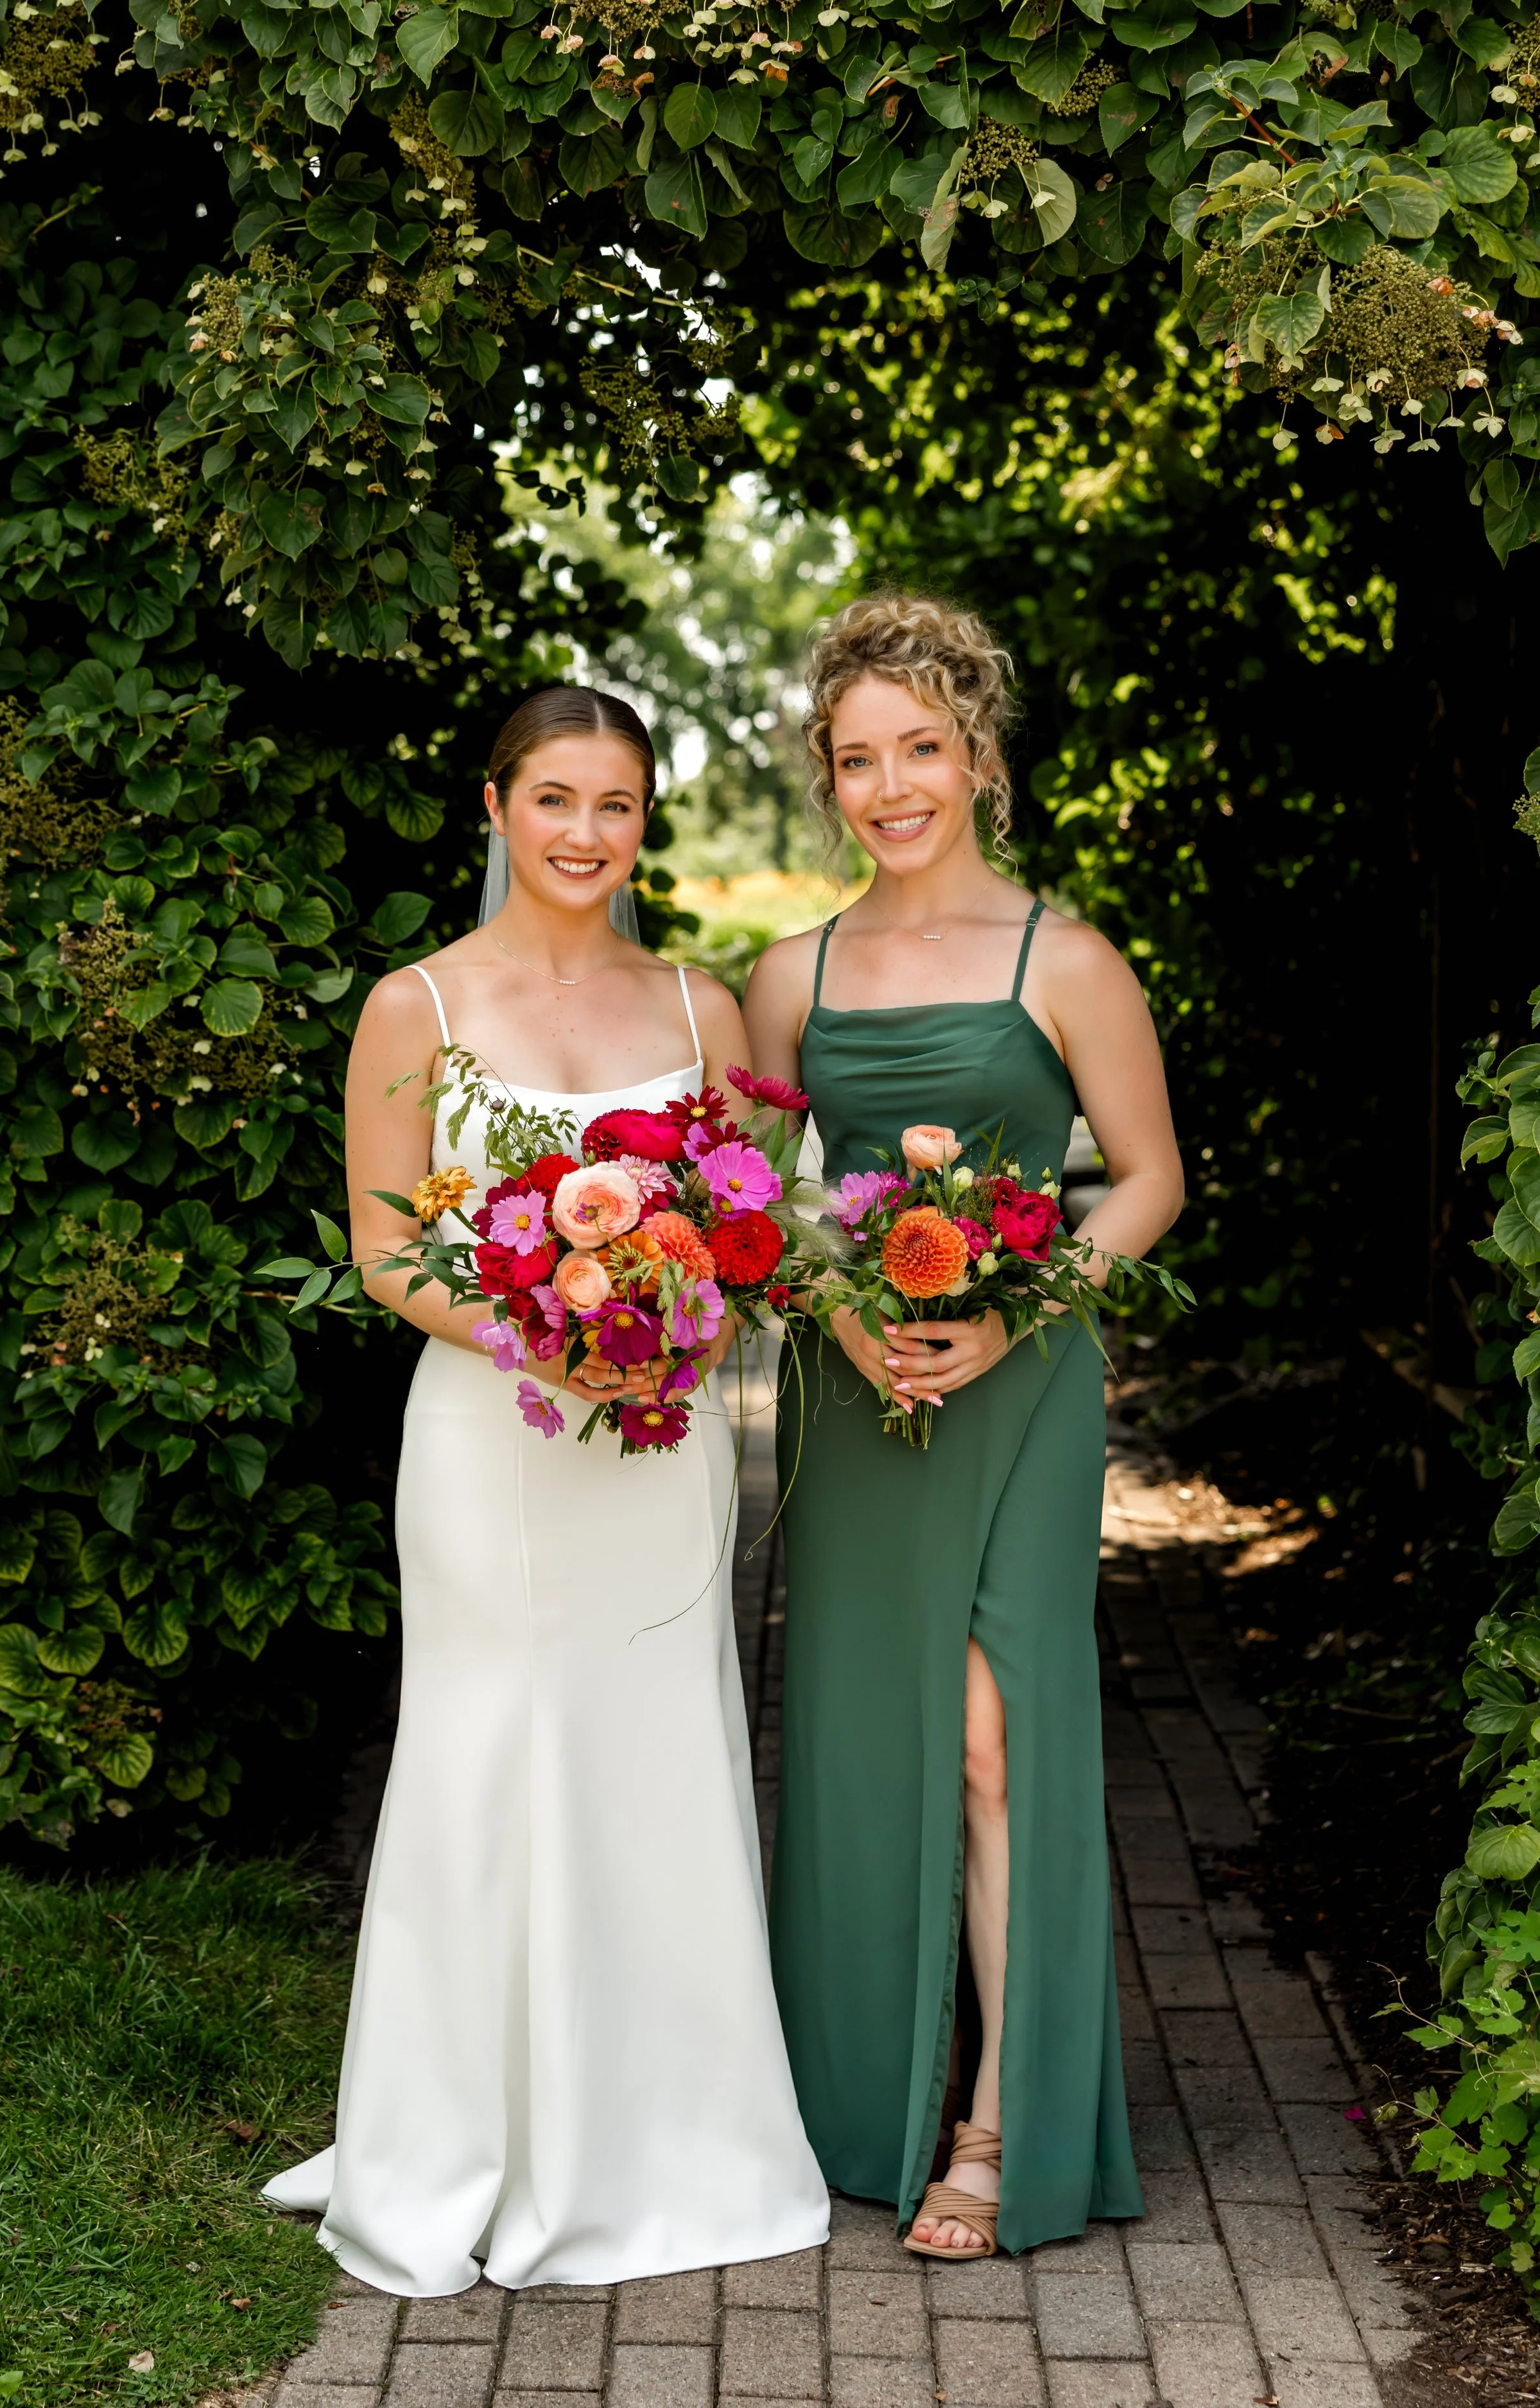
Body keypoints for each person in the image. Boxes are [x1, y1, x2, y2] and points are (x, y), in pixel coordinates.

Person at [264, 685, 829, 2294]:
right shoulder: (415, 1007)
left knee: (656, 1745)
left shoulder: (699, 1006)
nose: (588, 835)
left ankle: (669, 2137)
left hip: (655, 1447)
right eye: (557, 800)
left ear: (647, 823)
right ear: (496, 806)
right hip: (491, 1439)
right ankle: (455, 2139)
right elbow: (384, 1252)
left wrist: (667, 1319)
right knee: (487, 1750)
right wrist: (541, 1333)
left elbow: (741, 1218)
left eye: (620, 806)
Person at [743, 595, 1184, 2261]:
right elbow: (749, 1201)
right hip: (860, 1402)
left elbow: (1146, 1177)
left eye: (918, 746)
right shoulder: (792, 972)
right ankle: (860, 2095)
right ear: (829, 779)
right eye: (856, 757)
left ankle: (1000, 2118)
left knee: (995, 1738)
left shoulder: (1061, 959)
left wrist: (1013, 1308)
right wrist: (836, 1305)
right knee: (866, 1744)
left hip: (1022, 1383)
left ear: (979, 753)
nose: (889, 783)